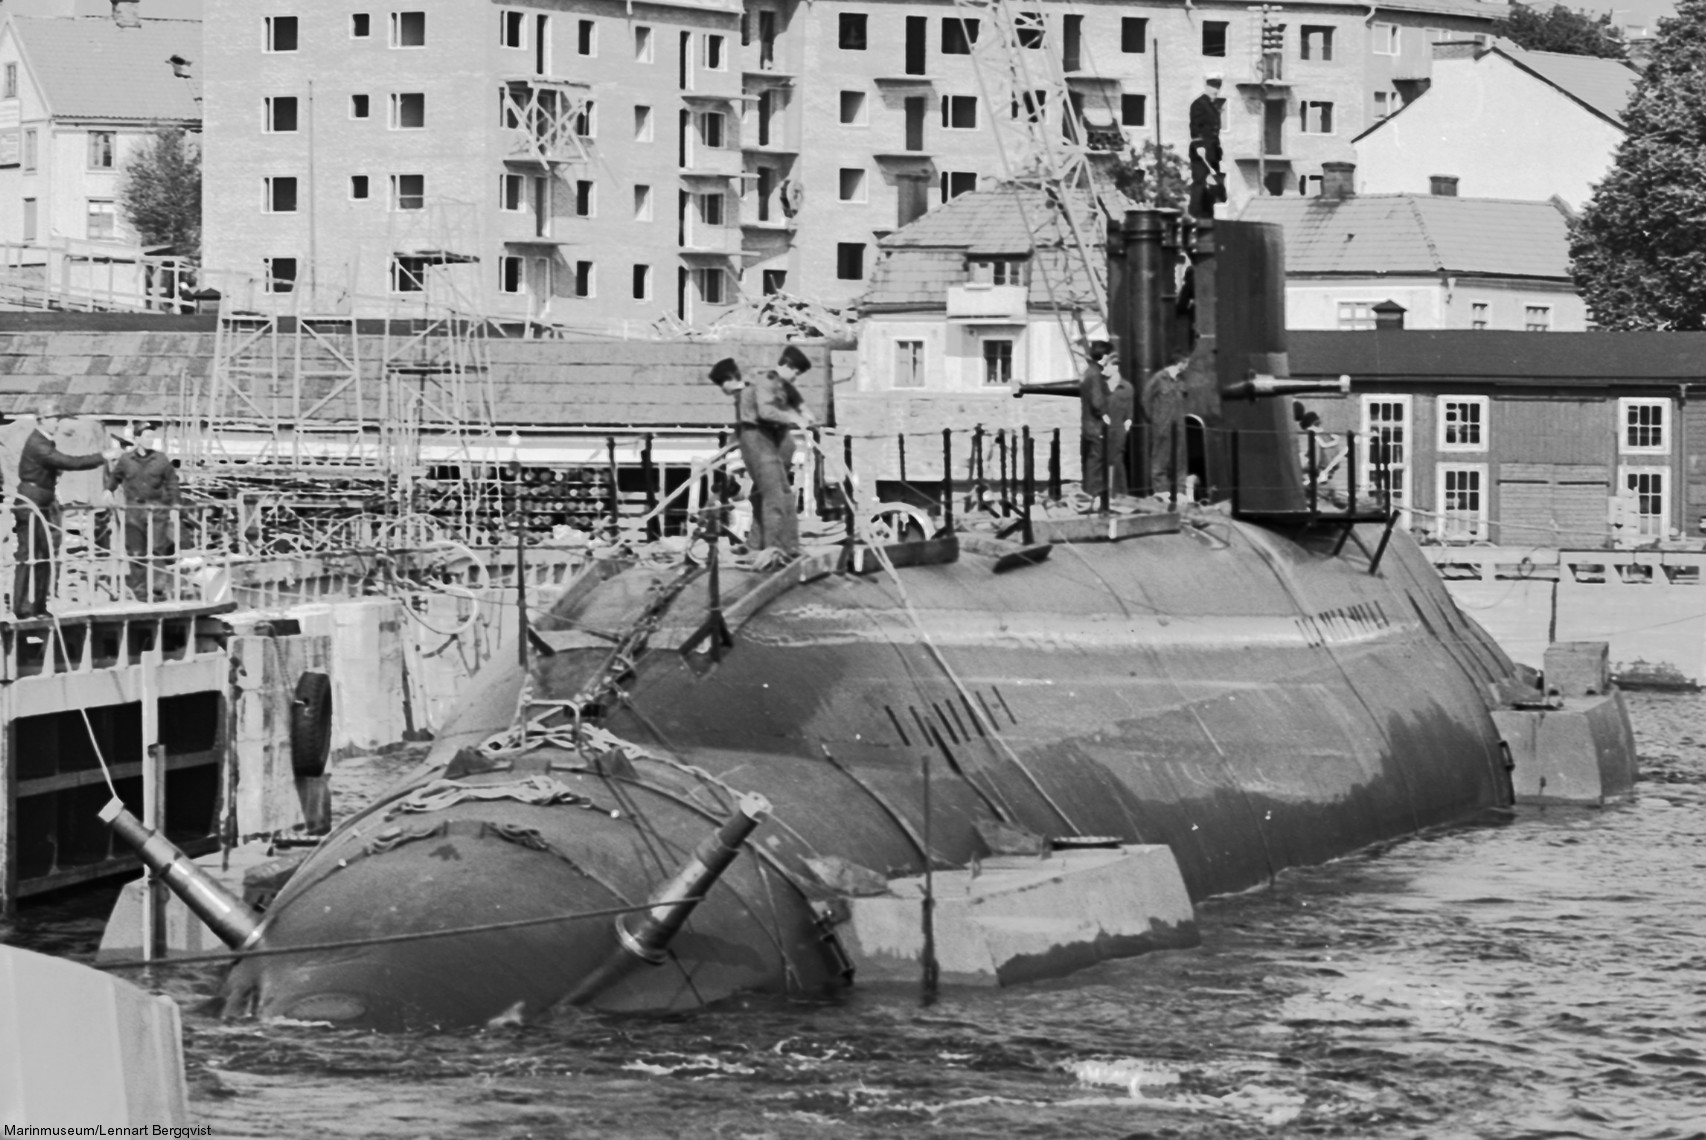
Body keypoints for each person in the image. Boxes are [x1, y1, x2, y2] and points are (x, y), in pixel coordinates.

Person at [12, 400, 119, 617]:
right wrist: (102, 456)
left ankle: (39, 606)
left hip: (44, 499)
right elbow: (67, 462)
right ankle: (21, 606)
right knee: (28, 554)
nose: (57, 424)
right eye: (54, 419)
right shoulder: (38, 443)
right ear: (42, 420)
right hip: (31, 500)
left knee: (44, 554)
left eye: (58, 419)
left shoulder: (46, 441)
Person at [712, 346, 814, 561]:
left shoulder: (770, 383)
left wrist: (802, 409)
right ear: (786, 365)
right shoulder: (764, 381)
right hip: (759, 442)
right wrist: (796, 418)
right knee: (775, 496)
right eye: (795, 372)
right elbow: (762, 414)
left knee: (769, 495)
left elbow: (783, 399)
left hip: (768, 442)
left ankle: (763, 544)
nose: (796, 378)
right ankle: (776, 549)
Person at [107, 427, 182, 601]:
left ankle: (157, 588)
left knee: (157, 548)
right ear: (137, 439)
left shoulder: (161, 459)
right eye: (147, 436)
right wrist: (108, 490)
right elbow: (115, 477)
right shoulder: (126, 460)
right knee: (136, 551)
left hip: (156, 509)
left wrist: (176, 504)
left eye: (152, 437)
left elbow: (172, 482)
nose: (151, 440)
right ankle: (140, 592)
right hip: (134, 509)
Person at [1079, 341, 1134, 501]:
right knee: (1096, 461)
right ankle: (1093, 494)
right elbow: (1096, 400)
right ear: (1104, 356)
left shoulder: (1089, 372)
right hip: (1096, 427)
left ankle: (1095, 493)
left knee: (1096, 460)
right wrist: (1104, 415)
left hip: (1089, 426)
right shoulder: (1095, 374)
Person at [1144, 353, 1192, 491]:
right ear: (1181, 363)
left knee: (1180, 463)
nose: (1187, 366)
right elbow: (1145, 399)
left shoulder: (1181, 380)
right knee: (1160, 462)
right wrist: (1155, 419)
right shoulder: (1159, 379)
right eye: (1186, 363)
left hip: (1179, 428)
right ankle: (1162, 493)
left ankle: (1180, 494)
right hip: (1162, 427)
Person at [1189, 75, 1226, 220]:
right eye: (1213, 87)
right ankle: (1195, 214)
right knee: (1200, 181)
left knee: (1212, 183)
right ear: (1206, 87)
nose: (1215, 90)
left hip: (1212, 151)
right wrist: (1198, 145)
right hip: (1201, 151)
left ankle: (1208, 214)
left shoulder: (1213, 105)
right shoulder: (1199, 104)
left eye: (1217, 87)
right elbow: (1195, 125)